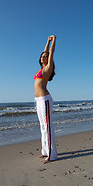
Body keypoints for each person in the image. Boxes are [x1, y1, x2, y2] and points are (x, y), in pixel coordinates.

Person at [34, 35, 57, 163]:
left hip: (45, 100)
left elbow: (51, 52)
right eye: (42, 55)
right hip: (38, 100)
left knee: (48, 127)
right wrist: (46, 42)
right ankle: (45, 151)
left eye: (45, 56)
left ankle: (52, 155)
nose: (43, 56)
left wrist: (53, 41)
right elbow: (45, 51)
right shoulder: (41, 69)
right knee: (42, 126)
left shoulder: (48, 68)